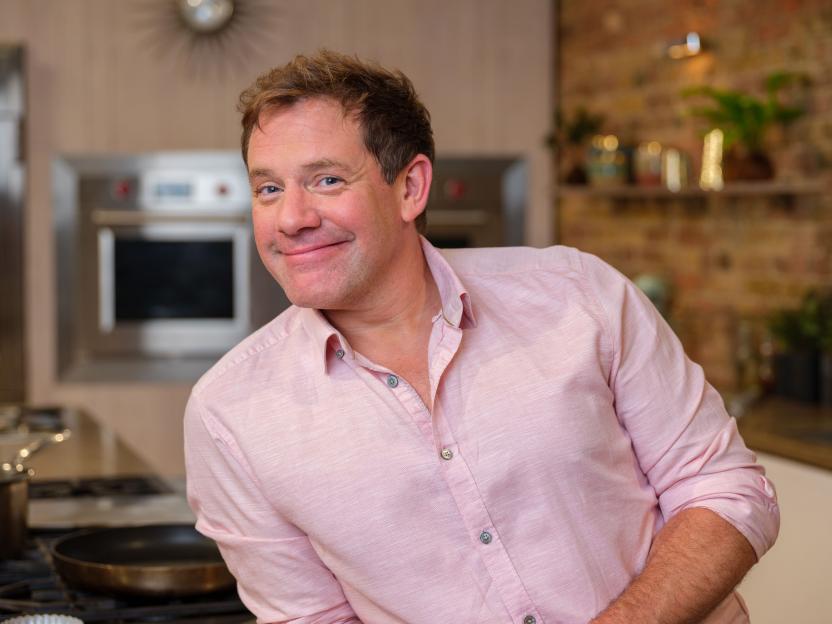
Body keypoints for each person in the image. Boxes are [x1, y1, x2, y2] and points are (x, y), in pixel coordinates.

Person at [184, 50, 779, 624]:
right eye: (268, 189)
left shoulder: (579, 294)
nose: (291, 219)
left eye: (327, 180)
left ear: (410, 188)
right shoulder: (229, 413)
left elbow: (724, 490)